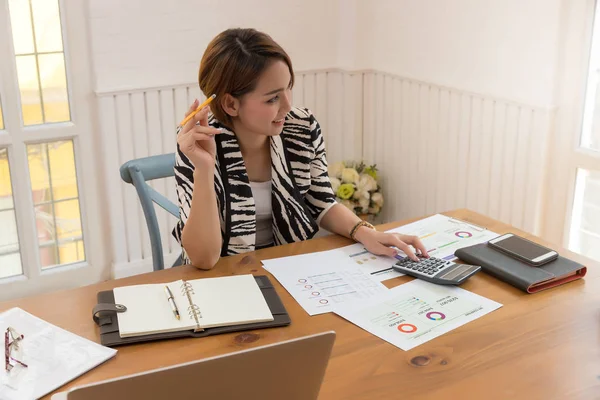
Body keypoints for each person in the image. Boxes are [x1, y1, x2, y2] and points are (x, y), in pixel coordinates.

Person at [173, 28, 428, 269]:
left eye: (288, 89)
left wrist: (365, 232)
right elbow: (204, 260)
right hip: (226, 278)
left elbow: (322, 203)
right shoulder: (197, 143)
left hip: (290, 267)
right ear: (230, 104)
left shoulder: (301, 126)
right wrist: (204, 169)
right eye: (273, 98)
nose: (287, 106)